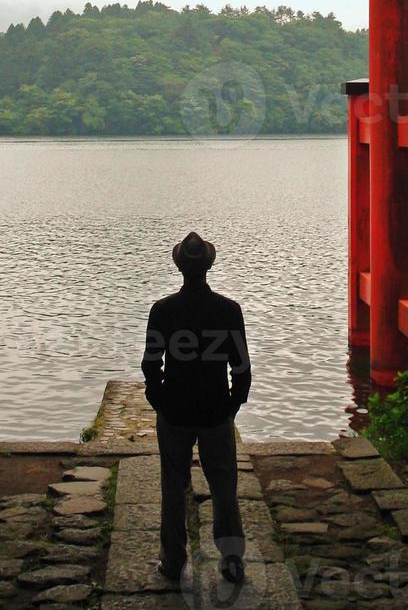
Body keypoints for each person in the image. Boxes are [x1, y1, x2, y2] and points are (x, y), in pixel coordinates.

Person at [142, 230, 252, 586]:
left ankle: (173, 559)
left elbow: (151, 363)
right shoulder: (228, 310)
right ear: (208, 267)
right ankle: (232, 558)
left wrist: (158, 398)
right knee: (224, 486)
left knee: (172, 486)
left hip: (175, 410)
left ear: (180, 268)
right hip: (215, 410)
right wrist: (233, 403)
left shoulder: (163, 311)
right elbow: (241, 367)